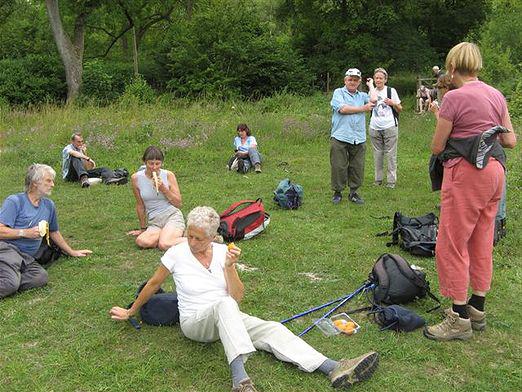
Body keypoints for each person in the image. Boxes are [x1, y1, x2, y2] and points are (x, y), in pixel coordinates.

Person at [110, 206, 379, 391]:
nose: (191, 242)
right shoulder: (177, 253)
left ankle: (334, 368)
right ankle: (241, 380)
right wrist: (131, 311)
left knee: (271, 327)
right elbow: (155, 283)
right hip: (195, 323)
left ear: (213, 236)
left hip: (227, 316)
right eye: (189, 235)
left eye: (198, 238)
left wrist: (229, 267)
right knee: (224, 305)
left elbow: (236, 297)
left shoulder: (221, 252)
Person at [424, 42, 517, 341]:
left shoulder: (453, 98)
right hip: (495, 173)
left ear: (451, 68)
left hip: (466, 174)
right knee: (481, 237)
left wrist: (441, 114)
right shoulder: (496, 95)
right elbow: (511, 141)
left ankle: (458, 317)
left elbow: (438, 147)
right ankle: (477, 306)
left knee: (451, 241)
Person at [0, 164, 92, 299]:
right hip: (8, 249)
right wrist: (24, 233)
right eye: (49, 180)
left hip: (27, 257)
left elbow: (54, 232)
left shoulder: (49, 205)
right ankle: (9, 281)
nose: (53, 184)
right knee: (10, 283)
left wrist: (72, 252)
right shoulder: (15, 201)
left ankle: (11, 278)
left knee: (40, 278)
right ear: (35, 182)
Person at [330, 68, 377, 204]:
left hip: (358, 137)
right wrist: (363, 108)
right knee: (338, 166)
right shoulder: (338, 92)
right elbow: (343, 109)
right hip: (340, 136)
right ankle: (337, 192)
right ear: (345, 80)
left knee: (357, 167)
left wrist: (371, 85)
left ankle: (353, 193)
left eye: (355, 80)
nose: (352, 82)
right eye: (350, 79)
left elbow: (373, 100)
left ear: (359, 82)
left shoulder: (362, 96)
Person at [126, 146, 185, 251]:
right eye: (150, 163)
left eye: (157, 164)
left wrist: (164, 189)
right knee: (142, 241)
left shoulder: (168, 175)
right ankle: (168, 235)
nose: (154, 167)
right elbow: (140, 205)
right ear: (144, 162)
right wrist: (143, 229)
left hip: (171, 216)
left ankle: (205, 241)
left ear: (161, 163)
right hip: (154, 222)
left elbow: (178, 203)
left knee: (164, 244)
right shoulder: (136, 178)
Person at [368, 68, 403, 189]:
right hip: (374, 127)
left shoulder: (391, 91)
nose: (378, 80)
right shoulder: (371, 91)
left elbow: (400, 109)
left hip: (389, 126)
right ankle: (378, 179)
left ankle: (391, 181)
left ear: (385, 79)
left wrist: (393, 103)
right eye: (376, 78)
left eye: (380, 78)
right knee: (377, 154)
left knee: (391, 154)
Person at [62, 132, 126, 188]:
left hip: (81, 174)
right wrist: (88, 158)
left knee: (104, 169)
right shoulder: (67, 148)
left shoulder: (81, 149)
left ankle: (110, 180)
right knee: (75, 157)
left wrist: (85, 153)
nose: (81, 143)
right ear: (72, 141)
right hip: (70, 176)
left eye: (82, 141)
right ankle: (84, 179)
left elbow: (88, 168)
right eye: (78, 142)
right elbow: (74, 153)